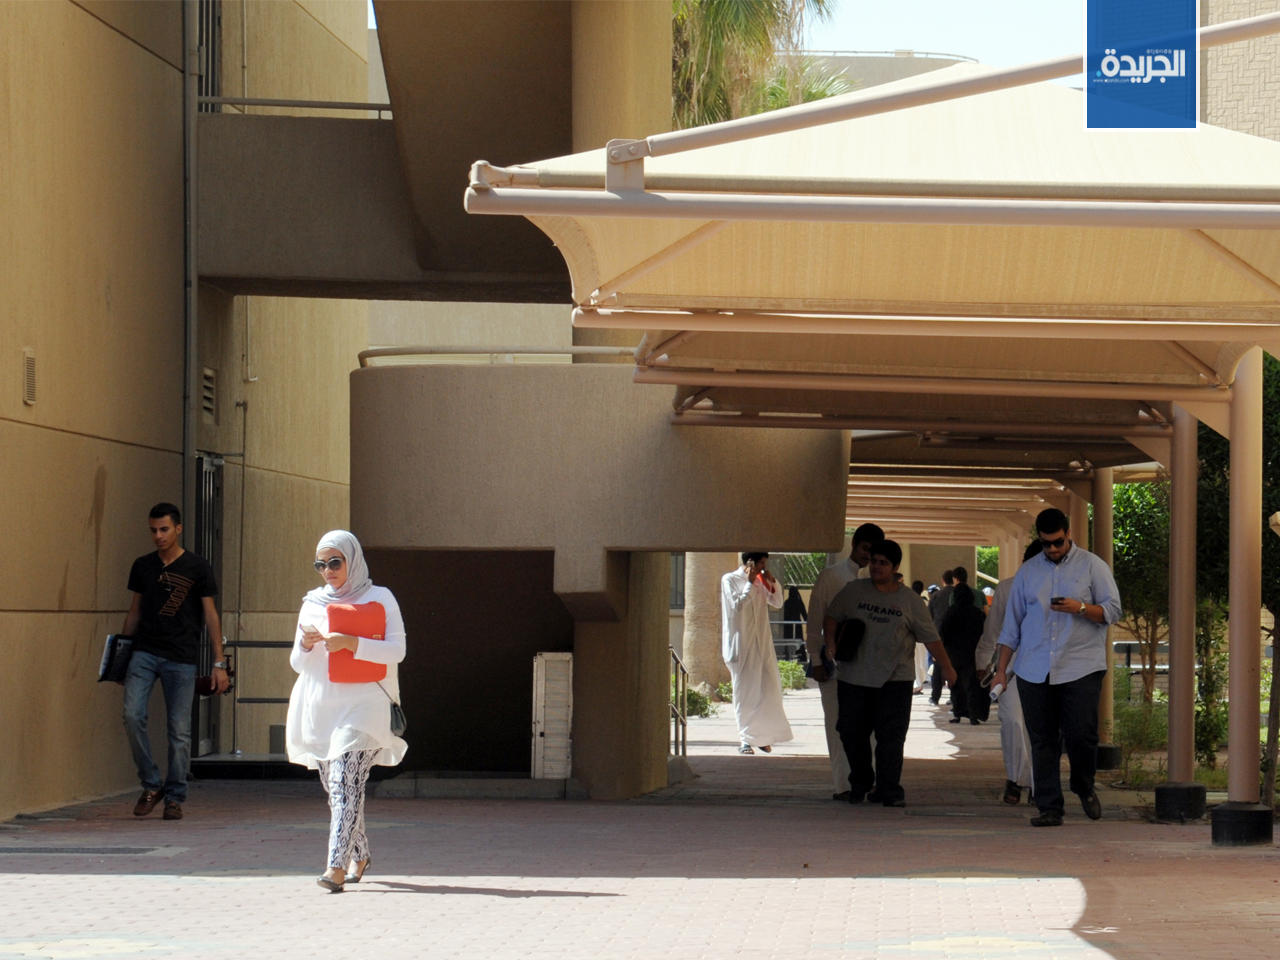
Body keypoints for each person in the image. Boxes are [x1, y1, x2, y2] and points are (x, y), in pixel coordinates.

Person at [287, 530, 407, 891]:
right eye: (320, 564)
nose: (328, 571)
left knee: (344, 784)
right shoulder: (312, 603)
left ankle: (335, 868)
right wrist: (306, 645)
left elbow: (396, 651)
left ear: (352, 560)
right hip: (321, 707)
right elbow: (297, 663)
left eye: (335, 562)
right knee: (339, 787)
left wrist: (351, 643)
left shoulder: (380, 598)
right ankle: (361, 853)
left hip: (364, 706)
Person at [993, 508, 1122, 827]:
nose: (1052, 549)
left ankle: (1083, 785)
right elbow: (1011, 628)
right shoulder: (1028, 573)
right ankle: (1049, 806)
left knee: (1081, 734)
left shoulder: (1092, 566)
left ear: (1068, 535)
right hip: (1034, 667)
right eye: (1046, 543)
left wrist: (1080, 608)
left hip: (1080, 665)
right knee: (1042, 739)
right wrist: (1001, 671)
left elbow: (1113, 610)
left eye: (1058, 542)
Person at [824, 540, 957, 806]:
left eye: (883, 563)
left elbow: (931, 638)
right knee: (851, 733)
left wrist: (948, 668)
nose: (876, 567)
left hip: (895, 681)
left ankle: (888, 790)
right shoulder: (853, 591)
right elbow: (832, 617)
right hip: (854, 678)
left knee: (891, 738)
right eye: (873, 561)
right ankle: (861, 782)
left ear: (895, 568)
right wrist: (830, 644)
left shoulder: (910, 601)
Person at [121, 502, 228, 821]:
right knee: (132, 715)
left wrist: (219, 663)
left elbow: (210, 614)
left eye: (164, 529)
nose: (158, 536)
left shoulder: (197, 566)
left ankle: (175, 796)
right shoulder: (143, 566)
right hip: (143, 653)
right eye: (153, 530)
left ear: (178, 529)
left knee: (179, 731)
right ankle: (151, 784)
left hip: (181, 657)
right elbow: (134, 611)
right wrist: (121, 655)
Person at [805, 522, 883, 798]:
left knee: (871, 727)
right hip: (835, 664)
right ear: (854, 545)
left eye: (873, 551)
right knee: (837, 725)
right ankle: (843, 785)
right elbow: (815, 621)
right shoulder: (831, 577)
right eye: (865, 548)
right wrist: (816, 660)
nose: (868, 555)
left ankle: (869, 782)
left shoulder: (881, 581)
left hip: (871, 667)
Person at [977, 540, 1043, 805]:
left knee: (1039, 726)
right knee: (1013, 721)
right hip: (1011, 667)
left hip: (1047, 668)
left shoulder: (1060, 590)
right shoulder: (1007, 588)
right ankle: (1016, 777)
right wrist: (983, 661)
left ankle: (1039, 785)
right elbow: (993, 630)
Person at [720, 552, 793, 755]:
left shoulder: (761, 581)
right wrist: (750, 583)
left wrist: (772, 582)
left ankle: (761, 737)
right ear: (749, 562)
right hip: (742, 645)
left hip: (762, 644)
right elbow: (737, 606)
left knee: (768, 690)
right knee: (745, 693)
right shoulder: (730, 580)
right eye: (760, 563)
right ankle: (745, 739)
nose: (763, 568)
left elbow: (777, 602)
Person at [940, 583, 987, 724]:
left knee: (955, 684)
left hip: (954, 653)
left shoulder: (951, 612)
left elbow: (943, 632)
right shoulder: (977, 613)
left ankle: (957, 713)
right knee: (972, 684)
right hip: (972, 653)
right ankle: (973, 715)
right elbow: (984, 633)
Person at [926, 569, 955, 704]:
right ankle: (953, 697)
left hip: (938, 636)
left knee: (938, 666)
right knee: (954, 665)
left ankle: (935, 697)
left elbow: (929, 617)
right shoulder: (956, 593)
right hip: (954, 636)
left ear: (943, 580)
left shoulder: (936, 596)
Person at [782, 586, 808, 661]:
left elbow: (784, 616)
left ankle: (787, 658)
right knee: (800, 643)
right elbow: (805, 615)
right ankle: (802, 658)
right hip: (797, 627)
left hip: (788, 627)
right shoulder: (799, 602)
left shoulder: (786, 603)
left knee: (788, 643)